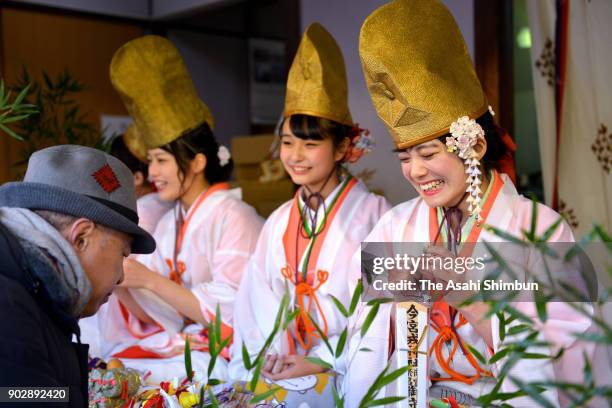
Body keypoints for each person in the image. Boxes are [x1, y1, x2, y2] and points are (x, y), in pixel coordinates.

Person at [346, 0, 592, 407]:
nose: (415, 172)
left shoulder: (542, 231)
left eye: (428, 154)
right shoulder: (393, 228)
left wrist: (471, 299)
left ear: (474, 145)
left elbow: (572, 348)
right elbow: (365, 335)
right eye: (405, 157)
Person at [228, 23, 390, 405]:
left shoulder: (376, 215)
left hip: (345, 369)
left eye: (310, 143)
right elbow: (256, 303)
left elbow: (382, 318)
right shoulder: (280, 220)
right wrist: (271, 357)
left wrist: (323, 360)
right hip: (285, 365)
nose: (295, 156)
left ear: (342, 148)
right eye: (287, 142)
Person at [85, 35, 263, 383]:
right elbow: (164, 315)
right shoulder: (170, 221)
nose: (152, 174)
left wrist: (148, 279)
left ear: (197, 162)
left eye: (161, 161)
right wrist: (121, 280)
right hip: (191, 343)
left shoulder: (234, 215)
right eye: (151, 161)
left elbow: (234, 312)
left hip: (293, 350)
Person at [0, 145, 156, 407]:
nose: (119, 278)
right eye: (123, 254)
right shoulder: (9, 307)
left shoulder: (29, 283)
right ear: (81, 236)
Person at [109, 124, 172, 235]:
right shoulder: (167, 201)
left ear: (137, 178)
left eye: (116, 176)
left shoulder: (139, 212)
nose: (112, 183)